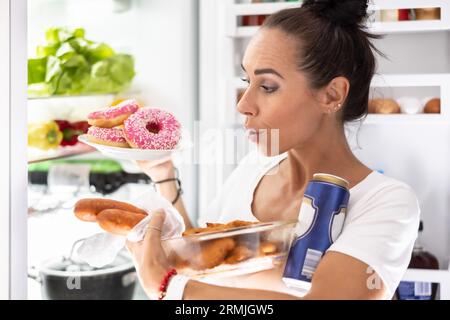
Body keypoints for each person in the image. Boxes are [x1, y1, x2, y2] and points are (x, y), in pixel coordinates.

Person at [127, 0, 420, 300]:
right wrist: (163, 173)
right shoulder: (254, 168)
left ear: (332, 95)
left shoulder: (386, 203)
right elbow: (204, 263)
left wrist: (171, 288)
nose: (243, 105)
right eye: (247, 80)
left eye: (267, 86)